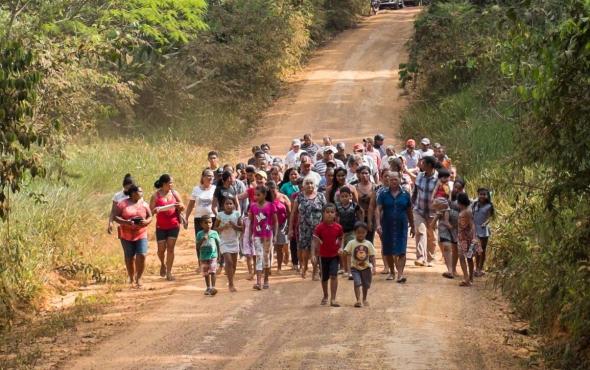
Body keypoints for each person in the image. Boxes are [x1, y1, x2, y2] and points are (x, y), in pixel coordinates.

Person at [375, 171, 415, 283]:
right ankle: (392, 272)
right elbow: (378, 209)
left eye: (395, 179)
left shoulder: (406, 194)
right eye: (391, 179)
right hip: (386, 225)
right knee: (388, 250)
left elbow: (409, 211)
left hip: (402, 226)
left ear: (400, 179)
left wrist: (412, 225)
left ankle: (400, 275)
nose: (393, 181)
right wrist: (378, 224)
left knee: (401, 250)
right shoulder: (383, 194)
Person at [289, 175, 327, 280]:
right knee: (304, 249)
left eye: (311, 183)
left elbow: (326, 211)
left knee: (317, 250)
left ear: (314, 185)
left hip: (318, 228)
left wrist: (327, 225)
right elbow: (293, 213)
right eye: (307, 183)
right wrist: (290, 229)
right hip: (304, 227)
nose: (309, 185)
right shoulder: (300, 197)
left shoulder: (320, 196)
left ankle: (315, 271)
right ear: (303, 186)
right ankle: (305, 267)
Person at [114, 185, 152, 288]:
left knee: (142, 255)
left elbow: (150, 216)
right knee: (129, 257)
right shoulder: (122, 204)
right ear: (133, 193)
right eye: (140, 191)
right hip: (126, 234)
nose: (142, 193)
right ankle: (131, 276)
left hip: (141, 233)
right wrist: (126, 222)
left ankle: (139, 277)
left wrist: (145, 222)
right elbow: (115, 217)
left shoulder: (144, 204)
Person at [150, 174, 184, 281]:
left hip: (174, 224)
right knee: (161, 249)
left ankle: (169, 272)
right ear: (164, 184)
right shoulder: (155, 195)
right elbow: (150, 211)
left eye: (172, 183)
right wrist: (155, 210)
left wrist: (180, 206)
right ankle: (162, 264)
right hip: (161, 226)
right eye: (170, 183)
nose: (171, 185)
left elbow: (182, 206)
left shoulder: (174, 193)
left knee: (170, 248)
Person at [313, 204, 344, 307]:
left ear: (335, 214)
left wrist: (341, 247)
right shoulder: (319, 227)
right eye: (327, 212)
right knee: (324, 277)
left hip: (334, 255)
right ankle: (325, 295)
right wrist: (313, 254)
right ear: (323, 213)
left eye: (332, 212)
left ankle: (333, 298)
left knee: (334, 275)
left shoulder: (338, 227)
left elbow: (341, 238)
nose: (329, 214)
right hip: (323, 256)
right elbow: (314, 241)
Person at [248, 185, 278, 290]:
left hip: (268, 235)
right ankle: (258, 282)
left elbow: (275, 221)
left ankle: (266, 280)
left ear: (265, 195)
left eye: (258, 195)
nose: (256, 197)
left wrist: (275, 234)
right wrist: (249, 235)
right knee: (259, 256)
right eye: (255, 195)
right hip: (257, 235)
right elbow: (251, 222)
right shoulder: (253, 206)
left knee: (266, 256)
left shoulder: (271, 205)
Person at [412, 156, 439, 267]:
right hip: (419, 210)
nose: (421, 165)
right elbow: (415, 191)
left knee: (431, 235)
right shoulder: (420, 176)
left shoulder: (438, 179)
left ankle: (431, 257)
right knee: (420, 231)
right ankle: (420, 257)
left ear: (429, 165)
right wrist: (411, 204)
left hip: (433, 212)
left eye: (423, 163)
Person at [185, 169, 217, 263]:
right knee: (200, 239)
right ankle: (201, 261)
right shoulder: (196, 189)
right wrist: (186, 217)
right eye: (208, 175)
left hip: (212, 217)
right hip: (199, 218)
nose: (210, 177)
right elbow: (191, 204)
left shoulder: (215, 188)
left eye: (212, 176)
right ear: (202, 177)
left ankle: (213, 261)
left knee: (212, 239)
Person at [344, 222, 376, 308]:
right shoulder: (351, 243)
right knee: (357, 283)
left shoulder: (369, 244)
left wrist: (374, 267)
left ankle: (364, 298)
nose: (361, 234)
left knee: (366, 285)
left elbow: (372, 256)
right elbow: (346, 253)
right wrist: (348, 268)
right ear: (354, 233)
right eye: (358, 232)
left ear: (366, 232)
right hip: (355, 268)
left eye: (363, 232)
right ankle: (358, 300)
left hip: (366, 268)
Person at [215, 198, 243, 292]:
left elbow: (242, 228)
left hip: (234, 241)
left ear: (234, 205)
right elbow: (215, 228)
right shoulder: (220, 215)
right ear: (223, 205)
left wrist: (234, 226)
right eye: (227, 204)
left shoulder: (237, 214)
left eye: (231, 203)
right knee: (229, 261)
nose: (229, 205)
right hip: (224, 241)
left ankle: (231, 279)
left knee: (234, 265)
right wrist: (223, 227)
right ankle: (231, 284)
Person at [335, 187, 363, 279]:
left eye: (346, 196)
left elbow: (360, 213)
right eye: (342, 196)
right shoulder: (338, 207)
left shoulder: (354, 206)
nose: (344, 198)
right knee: (343, 252)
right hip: (342, 232)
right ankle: (345, 269)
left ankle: (351, 270)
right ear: (339, 198)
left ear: (350, 196)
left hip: (352, 231)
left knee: (350, 251)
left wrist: (360, 225)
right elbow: (337, 219)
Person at [456, 193, 481, 286]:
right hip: (469, 237)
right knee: (469, 258)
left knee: (462, 258)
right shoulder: (468, 210)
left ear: (459, 202)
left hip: (465, 238)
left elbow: (466, 226)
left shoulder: (464, 212)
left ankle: (466, 278)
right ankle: (470, 278)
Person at [432, 198, 458, 279]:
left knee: (453, 249)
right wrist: (437, 217)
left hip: (453, 231)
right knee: (447, 248)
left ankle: (452, 269)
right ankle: (450, 270)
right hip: (445, 232)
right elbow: (432, 224)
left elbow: (446, 222)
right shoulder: (441, 212)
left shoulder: (449, 210)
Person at [269, 180, 291, 273]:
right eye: (269, 190)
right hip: (269, 225)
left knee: (279, 247)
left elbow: (289, 212)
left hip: (282, 224)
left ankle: (279, 267)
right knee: (269, 247)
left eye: (273, 190)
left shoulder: (283, 197)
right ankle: (268, 267)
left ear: (276, 189)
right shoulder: (266, 198)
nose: (271, 192)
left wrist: (289, 226)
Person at [196, 215, 221, 295]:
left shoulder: (214, 233)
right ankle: (208, 287)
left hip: (213, 256)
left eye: (210, 222)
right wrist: (202, 239)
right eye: (205, 223)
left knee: (213, 271)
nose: (208, 224)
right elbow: (197, 246)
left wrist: (219, 256)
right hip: (203, 257)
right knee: (206, 273)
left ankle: (213, 287)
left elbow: (218, 244)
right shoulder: (199, 234)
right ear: (201, 224)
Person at [473, 188, 494, 277]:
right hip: (475, 229)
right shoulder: (475, 204)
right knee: (477, 250)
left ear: (487, 196)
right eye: (480, 194)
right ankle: (476, 268)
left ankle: (480, 268)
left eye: (484, 194)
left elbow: (490, 217)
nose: (482, 196)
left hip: (484, 230)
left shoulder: (489, 206)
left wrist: (485, 223)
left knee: (482, 250)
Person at [355, 166, 377, 244]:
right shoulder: (355, 187)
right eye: (362, 173)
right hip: (358, 217)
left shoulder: (375, 187)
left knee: (370, 239)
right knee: (359, 239)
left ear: (370, 174)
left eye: (366, 173)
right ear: (359, 175)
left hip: (371, 217)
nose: (364, 175)